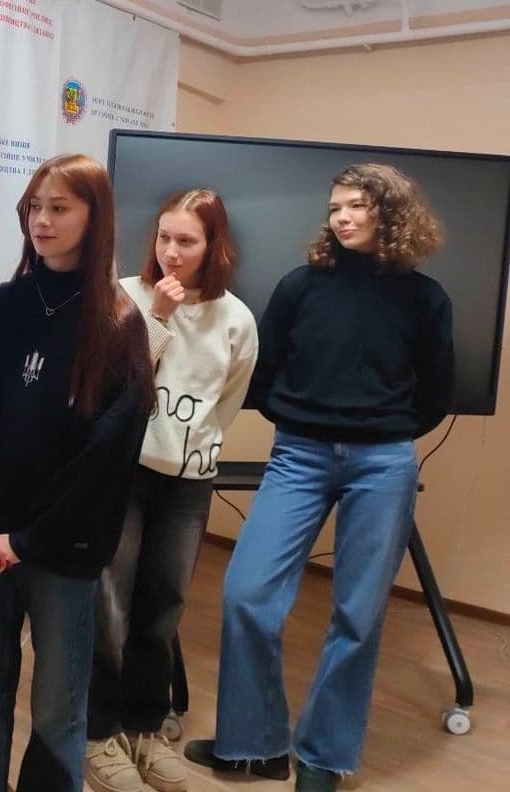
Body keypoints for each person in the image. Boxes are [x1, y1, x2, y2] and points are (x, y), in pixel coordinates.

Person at [184, 164, 453, 792]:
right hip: (298, 457)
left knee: (357, 615)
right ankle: (254, 747)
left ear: (391, 212)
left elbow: (435, 395)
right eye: (335, 207)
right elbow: (264, 371)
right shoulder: (300, 286)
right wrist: (303, 420)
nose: (343, 217)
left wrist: (378, 429)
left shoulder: (425, 298)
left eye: (358, 205)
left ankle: (325, 758)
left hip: (382, 464)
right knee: (247, 593)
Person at [0, 154, 154, 791]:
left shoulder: (118, 325)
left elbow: (104, 465)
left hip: (63, 549)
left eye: (59, 208)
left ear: (95, 217)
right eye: (35, 206)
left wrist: (27, 541)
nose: (42, 220)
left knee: (59, 706)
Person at [85, 189, 258, 792]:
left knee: (163, 607)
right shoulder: (125, 296)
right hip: (125, 475)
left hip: (188, 482)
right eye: (164, 237)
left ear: (214, 246)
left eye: (187, 241)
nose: (171, 252)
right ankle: (99, 733)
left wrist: (189, 445)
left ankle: (144, 727)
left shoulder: (236, 319)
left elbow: (226, 403)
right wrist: (156, 317)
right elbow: (115, 386)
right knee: (111, 606)